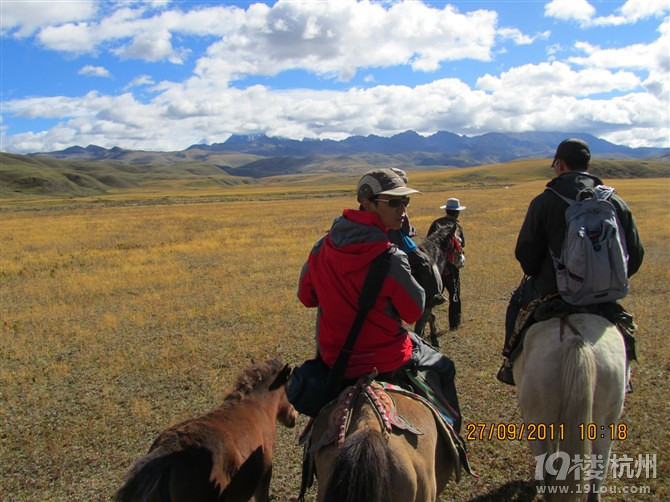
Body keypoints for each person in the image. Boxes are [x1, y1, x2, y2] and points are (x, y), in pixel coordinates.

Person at [298, 168, 462, 431]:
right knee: (445, 367)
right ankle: (455, 440)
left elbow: (306, 297)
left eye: (406, 201)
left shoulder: (321, 247)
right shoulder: (391, 258)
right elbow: (414, 311)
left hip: (334, 361)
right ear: (367, 202)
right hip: (387, 360)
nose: (403, 210)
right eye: (394, 202)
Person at [497, 138, 645, 385]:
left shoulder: (544, 201)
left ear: (560, 164)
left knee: (515, 302)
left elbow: (526, 253)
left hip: (553, 293)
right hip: (603, 294)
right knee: (623, 329)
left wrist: (542, 274)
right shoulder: (614, 202)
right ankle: (625, 374)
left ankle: (510, 363)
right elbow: (636, 255)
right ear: (588, 165)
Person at [386, 168, 447, 310]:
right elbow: (405, 230)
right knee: (424, 261)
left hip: (386, 237)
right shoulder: (399, 201)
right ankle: (433, 296)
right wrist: (412, 230)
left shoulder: (382, 198)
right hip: (398, 242)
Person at [427, 198, 466, 330]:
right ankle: (454, 325)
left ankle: (429, 323)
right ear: (457, 213)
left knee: (432, 295)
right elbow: (461, 246)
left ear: (446, 210)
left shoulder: (436, 223)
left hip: (435, 267)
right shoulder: (456, 227)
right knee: (455, 295)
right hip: (451, 268)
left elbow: (429, 243)